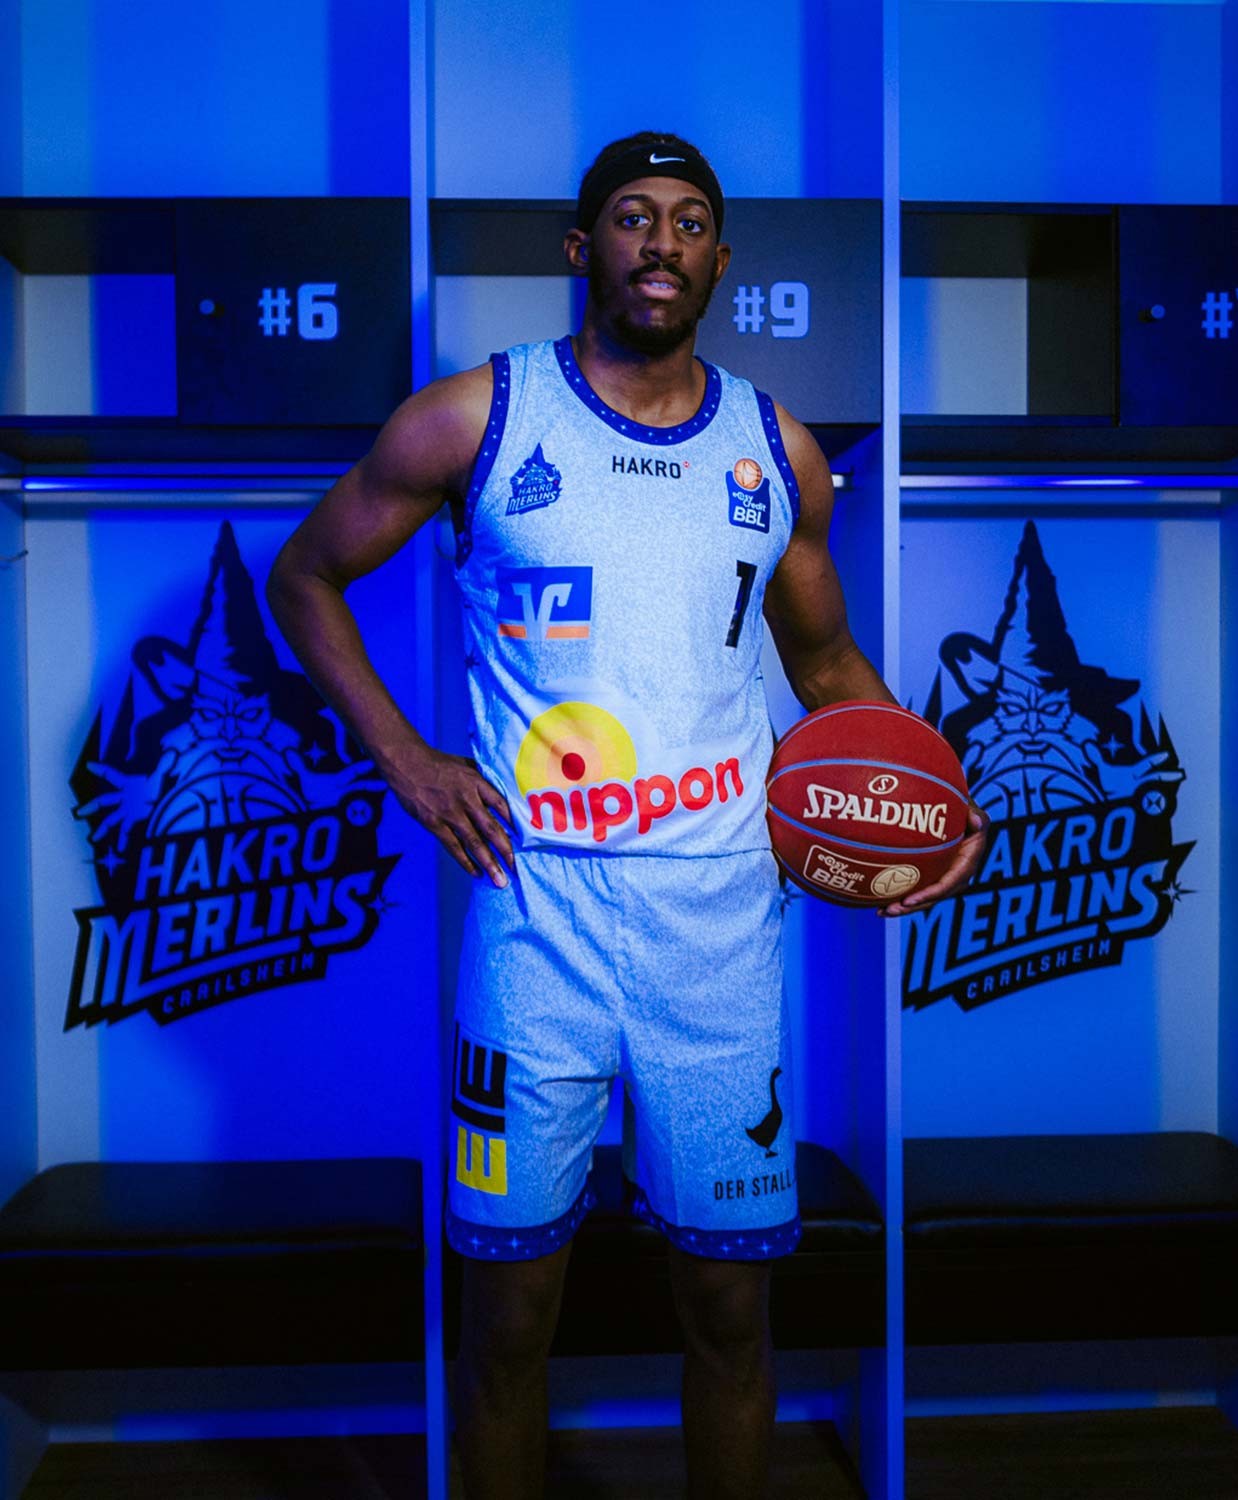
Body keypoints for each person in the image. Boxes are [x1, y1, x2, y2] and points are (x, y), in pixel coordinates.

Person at [268, 131, 985, 1500]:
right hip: (534, 921)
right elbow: (304, 576)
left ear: (721, 258)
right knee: (507, 1314)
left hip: (717, 930)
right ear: (580, 244)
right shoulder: (474, 419)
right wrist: (410, 762)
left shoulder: (777, 448)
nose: (662, 241)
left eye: (691, 220)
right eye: (634, 216)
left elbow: (828, 667)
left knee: (728, 1309)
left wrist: (932, 800)